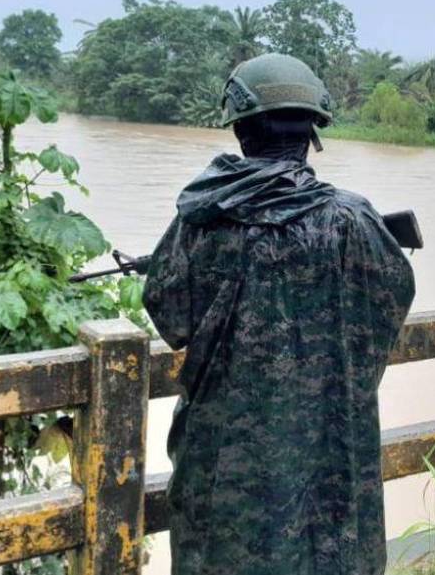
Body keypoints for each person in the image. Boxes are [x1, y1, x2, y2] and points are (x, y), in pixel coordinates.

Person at [142, 53, 416, 575]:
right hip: (333, 447)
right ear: (313, 131)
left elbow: (170, 316)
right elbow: (387, 307)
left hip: (228, 460)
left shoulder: (203, 220)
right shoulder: (354, 219)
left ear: (241, 130)